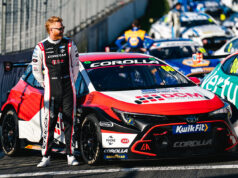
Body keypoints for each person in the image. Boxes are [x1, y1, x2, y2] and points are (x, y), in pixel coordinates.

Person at [32, 16, 80, 167]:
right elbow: (35, 70)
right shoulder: (41, 47)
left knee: (69, 122)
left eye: (62, 27)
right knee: (49, 124)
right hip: (51, 90)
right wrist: (45, 84)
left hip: (68, 88)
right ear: (51, 30)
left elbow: (76, 66)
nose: (62, 30)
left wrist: (71, 81)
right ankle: (46, 156)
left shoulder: (70, 44)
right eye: (59, 28)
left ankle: (70, 155)